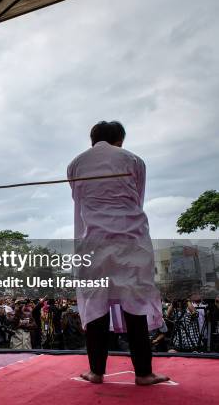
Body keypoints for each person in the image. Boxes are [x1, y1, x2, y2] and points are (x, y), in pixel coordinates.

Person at [67, 120, 169, 385]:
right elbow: (138, 198)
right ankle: (144, 373)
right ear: (120, 140)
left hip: (94, 241)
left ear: (92, 140)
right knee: (134, 305)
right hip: (130, 240)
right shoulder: (134, 160)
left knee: (96, 304)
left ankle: (96, 372)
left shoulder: (75, 164)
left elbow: (79, 198)